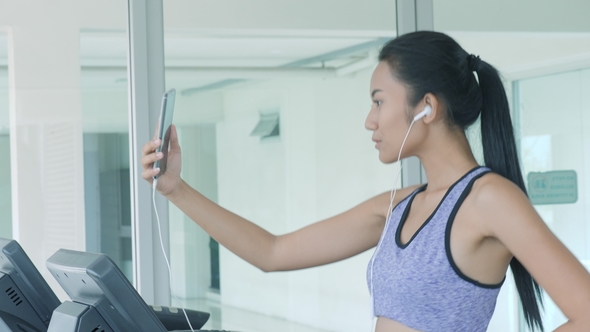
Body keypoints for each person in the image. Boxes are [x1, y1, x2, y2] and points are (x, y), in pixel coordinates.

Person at [141, 31, 590, 331]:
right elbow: (272, 252)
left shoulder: (489, 198)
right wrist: (177, 190)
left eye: (379, 102)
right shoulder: (398, 205)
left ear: (426, 108)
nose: (369, 121)